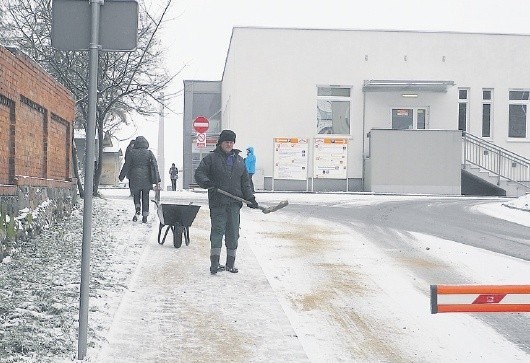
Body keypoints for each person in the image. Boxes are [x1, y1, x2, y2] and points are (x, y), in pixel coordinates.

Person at [194, 129, 259, 274]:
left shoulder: (239, 160)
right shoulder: (211, 158)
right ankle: (214, 264)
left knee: (233, 233)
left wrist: (250, 198)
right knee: (217, 231)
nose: (229, 144)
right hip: (218, 201)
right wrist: (207, 182)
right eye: (226, 142)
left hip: (234, 204)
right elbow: (199, 173)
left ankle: (230, 264)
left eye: (231, 142)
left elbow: (245, 183)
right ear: (221, 143)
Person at [118, 136, 160, 223]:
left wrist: (121, 176)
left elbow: (127, 165)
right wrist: (157, 180)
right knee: (146, 196)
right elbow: (154, 166)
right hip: (146, 178)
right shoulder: (149, 153)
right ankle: (145, 215)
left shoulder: (132, 153)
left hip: (134, 177)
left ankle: (137, 207)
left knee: (136, 194)